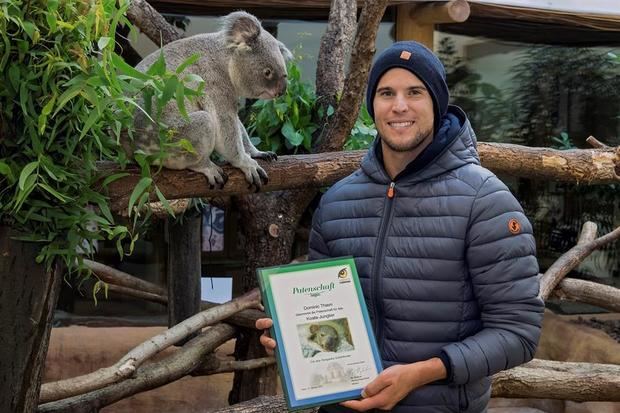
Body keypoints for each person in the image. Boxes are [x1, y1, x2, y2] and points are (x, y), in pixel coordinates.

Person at [256, 41, 544, 413]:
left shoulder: (485, 200)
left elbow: (518, 333)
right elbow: (324, 312)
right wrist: (295, 337)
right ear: (372, 105)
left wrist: (422, 373)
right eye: (386, 93)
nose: (399, 106)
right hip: (343, 406)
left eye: (415, 92)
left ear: (437, 103)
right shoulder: (337, 201)